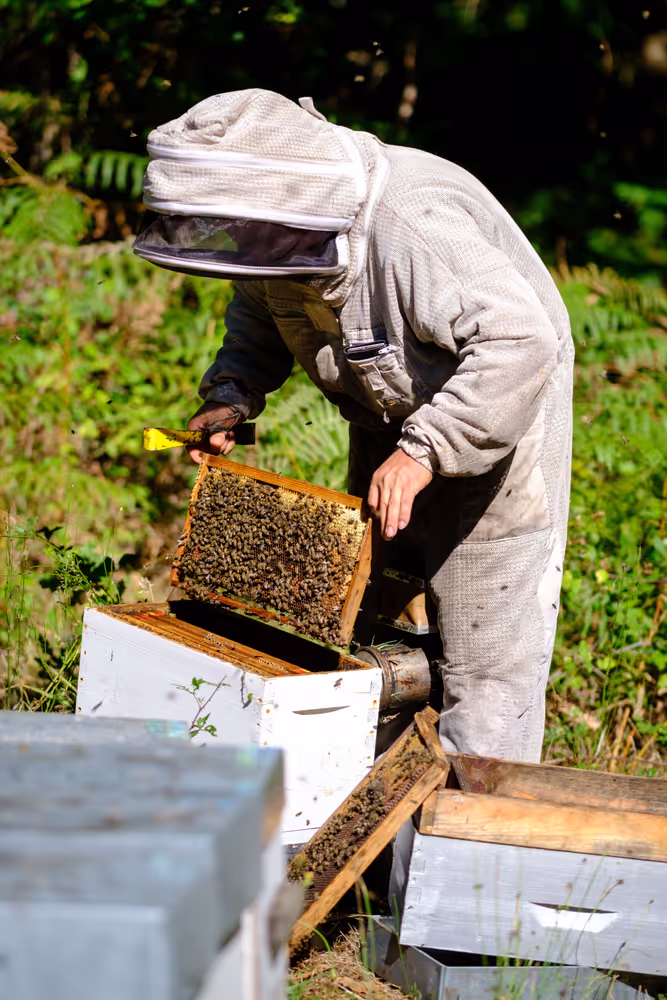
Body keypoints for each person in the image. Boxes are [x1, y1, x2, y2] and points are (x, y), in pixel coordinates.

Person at [134, 88, 573, 763]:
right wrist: (232, 393)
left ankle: (468, 847)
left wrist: (427, 449)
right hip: (390, 420)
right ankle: (371, 835)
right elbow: (260, 311)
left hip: (497, 427)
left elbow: (520, 343)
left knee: (484, 666)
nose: (234, 243)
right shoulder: (278, 229)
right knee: (376, 638)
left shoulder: (414, 223)